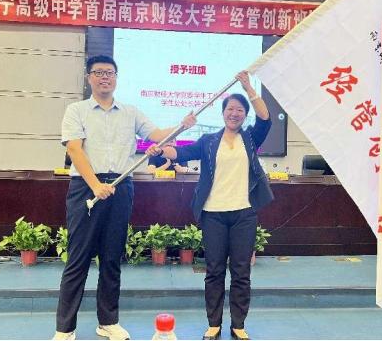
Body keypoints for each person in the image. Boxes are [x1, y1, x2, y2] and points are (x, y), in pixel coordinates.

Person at [53, 55, 197, 341]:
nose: (104, 77)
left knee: (111, 258)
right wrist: (96, 185)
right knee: (78, 258)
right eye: (98, 72)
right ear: (89, 78)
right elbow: (74, 149)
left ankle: (108, 322)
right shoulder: (76, 110)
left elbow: (157, 134)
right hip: (86, 187)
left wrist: (183, 126)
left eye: (110, 72)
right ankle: (65, 329)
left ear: (116, 78)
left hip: (120, 188)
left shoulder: (130, 112)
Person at [147, 71, 274, 341]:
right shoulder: (208, 141)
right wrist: (159, 149)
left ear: (244, 115)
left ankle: (238, 325)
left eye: (240, 110)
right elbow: (181, 152)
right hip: (213, 215)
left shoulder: (251, 138)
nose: (234, 113)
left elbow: (265, 118)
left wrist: (249, 88)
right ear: (223, 113)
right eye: (230, 109)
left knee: (241, 272)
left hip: (243, 214)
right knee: (214, 271)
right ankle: (213, 324)